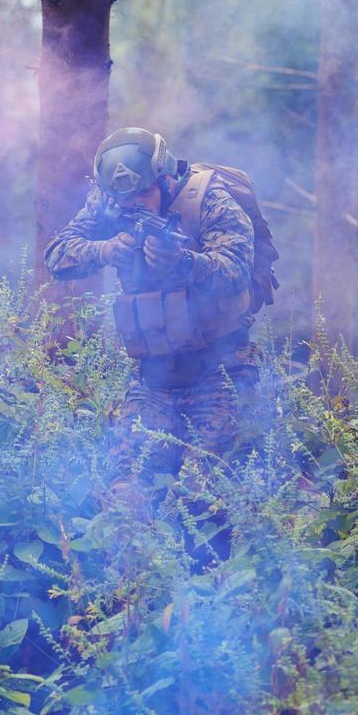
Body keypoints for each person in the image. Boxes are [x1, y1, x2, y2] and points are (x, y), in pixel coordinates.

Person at [45, 127, 274, 488]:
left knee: (205, 485)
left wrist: (184, 263)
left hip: (221, 369)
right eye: (124, 199)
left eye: (143, 194)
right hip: (154, 375)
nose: (133, 205)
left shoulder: (209, 200)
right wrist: (104, 249)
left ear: (165, 178)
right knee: (125, 482)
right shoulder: (108, 199)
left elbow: (235, 272)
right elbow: (57, 256)